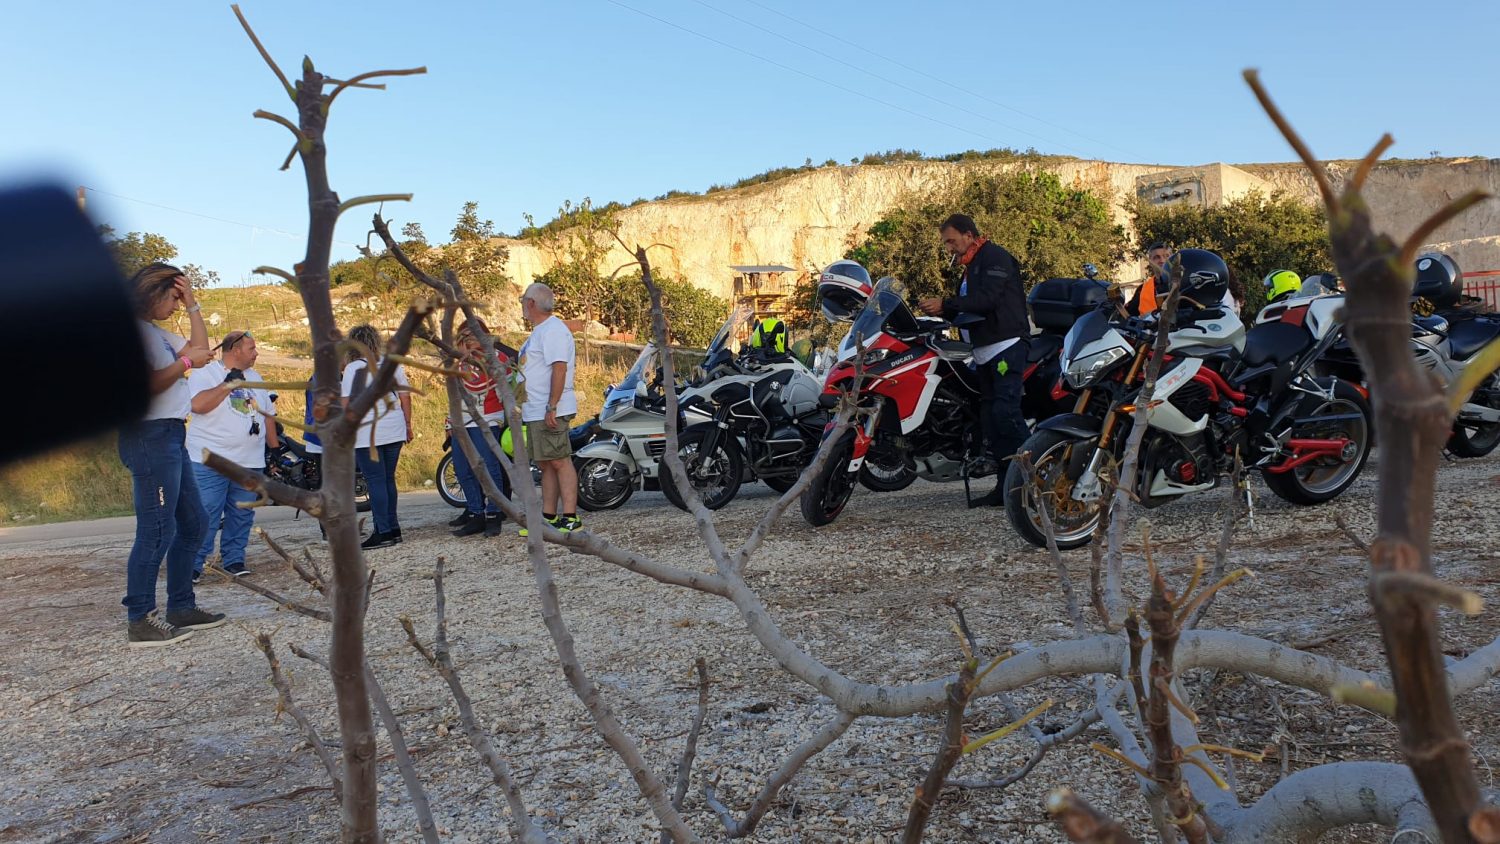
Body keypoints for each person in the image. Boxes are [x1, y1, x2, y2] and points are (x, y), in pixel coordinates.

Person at [117, 263, 227, 647]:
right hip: (149, 436)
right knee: (157, 530)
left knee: (194, 522)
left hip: (171, 435)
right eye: (173, 299)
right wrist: (185, 363)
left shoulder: (156, 333)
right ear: (153, 293)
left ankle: (181, 606)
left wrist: (193, 303)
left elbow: (201, 351)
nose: (176, 307)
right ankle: (140, 619)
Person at [917, 214, 1029, 508]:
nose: (949, 248)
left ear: (968, 235)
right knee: (990, 420)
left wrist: (946, 303)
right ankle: (1005, 487)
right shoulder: (970, 266)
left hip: (1006, 347)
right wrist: (940, 311)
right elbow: (969, 308)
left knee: (1006, 413)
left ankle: (1036, 479)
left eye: (951, 241)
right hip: (983, 353)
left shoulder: (995, 258)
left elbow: (988, 300)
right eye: (946, 243)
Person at [187, 330, 278, 580]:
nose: (256, 353)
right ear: (235, 350)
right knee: (206, 513)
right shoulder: (205, 374)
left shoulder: (256, 377)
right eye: (252, 348)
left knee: (242, 514)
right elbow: (198, 406)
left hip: (249, 462)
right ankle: (193, 564)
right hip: (211, 461)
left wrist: (274, 450)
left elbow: (268, 415)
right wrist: (228, 384)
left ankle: (234, 560)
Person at [517, 282, 581, 534]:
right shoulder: (540, 331)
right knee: (546, 463)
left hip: (550, 408)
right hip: (536, 409)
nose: (522, 305)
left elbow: (559, 368)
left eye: (523, 300)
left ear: (531, 303)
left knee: (560, 461)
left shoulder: (553, 330)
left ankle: (571, 517)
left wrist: (552, 406)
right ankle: (549, 517)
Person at [341, 324, 412, 549]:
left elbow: (346, 404)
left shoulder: (353, 368)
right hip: (394, 427)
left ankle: (382, 531)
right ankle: (394, 527)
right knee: (388, 479)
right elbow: (405, 397)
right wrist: (408, 425)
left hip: (367, 432)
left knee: (375, 480)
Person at [449, 318, 517, 538]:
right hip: (462, 420)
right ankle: (475, 512)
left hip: (488, 418)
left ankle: (494, 513)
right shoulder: (459, 361)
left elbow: (481, 386)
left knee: (489, 467)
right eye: (465, 336)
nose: (469, 340)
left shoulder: (497, 358)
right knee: (462, 468)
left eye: (473, 335)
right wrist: (449, 422)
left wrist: (469, 359)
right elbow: (454, 394)